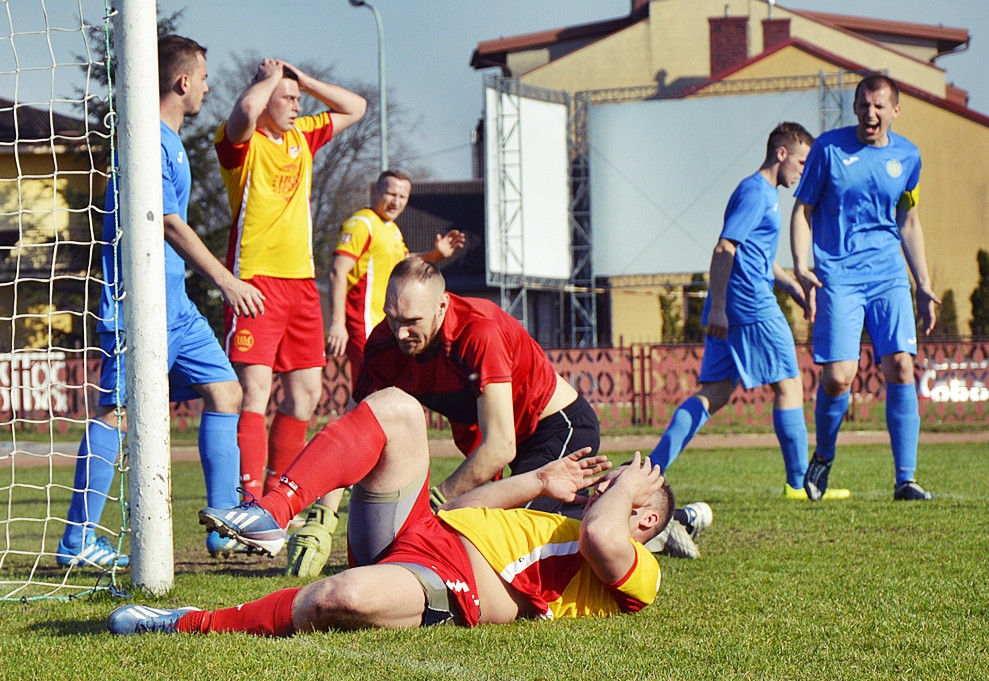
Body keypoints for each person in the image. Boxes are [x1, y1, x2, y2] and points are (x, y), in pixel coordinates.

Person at [108, 386, 683, 635]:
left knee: (340, 599)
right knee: (399, 408)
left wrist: (629, 484)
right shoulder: (565, 521)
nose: (604, 491)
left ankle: (186, 622)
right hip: (424, 530)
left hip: (444, 581)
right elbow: (464, 507)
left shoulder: (636, 566)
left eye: (624, 493)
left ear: (646, 520)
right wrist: (539, 479)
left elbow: (605, 538)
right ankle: (276, 509)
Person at [57, 35, 267, 568]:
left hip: (176, 308)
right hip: (136, 306)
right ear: (182, 82)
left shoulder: (167, 140)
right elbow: (169, 223)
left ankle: (222, 526)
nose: (207, 86)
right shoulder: (146, 140)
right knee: (117, 413)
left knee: (225, 391)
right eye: (202, 77)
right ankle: (77, 541)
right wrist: (226, 280)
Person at [286, 257, 629, 577]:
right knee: (478, 535)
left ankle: (637, 520)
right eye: (392, 316)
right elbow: (353, 435)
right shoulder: (385, 343)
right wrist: (322, 517)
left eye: (412, 322)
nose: (400, 332)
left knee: (522, 537)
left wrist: (434, 503)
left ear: (442, 306)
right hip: (495, 438)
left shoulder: (481, 331)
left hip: (554, 427)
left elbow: (500, 446)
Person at [648, 122, 850, 502]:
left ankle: (648, 469)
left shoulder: (765, 195)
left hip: (736, 302)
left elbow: (757, 254)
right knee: (789, 384)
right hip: (749, 303)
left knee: (716, 393)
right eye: (803, 162)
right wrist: (721, 307)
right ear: (782, 153)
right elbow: (725, 249)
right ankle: (800, 485)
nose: (804, 171)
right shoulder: (756, 192)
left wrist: (792, 286)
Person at [215, 58, 366, 501]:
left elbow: (356, 107)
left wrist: (304, 80)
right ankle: (248, 500)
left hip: (301, 284)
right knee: (255, 392)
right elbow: (244, 113)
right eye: (289, 99)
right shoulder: (239, 143)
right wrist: (266, 80)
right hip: (254, 283)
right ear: (265, 99)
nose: (298, 106)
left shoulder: (302, 135)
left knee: (305, 394)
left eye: (300, 100)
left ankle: (277, 501)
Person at [790, 74, 939, 501]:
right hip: (838, 275)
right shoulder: (828, 150)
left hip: (889, 274)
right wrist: (802, 265)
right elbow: (803, 210)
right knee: (839, 378)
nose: (870, 113)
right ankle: (824, 456)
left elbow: (908, 220)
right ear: (854, 108)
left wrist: (924, 283)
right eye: (863, 104)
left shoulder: (908, 156)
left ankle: (905, 479)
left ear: (895, 110)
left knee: (902, 367)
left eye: (878, 106)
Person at [326, 169, 466, 382]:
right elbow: (338, 272)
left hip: (387, 325)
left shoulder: (392, 229)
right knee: (368, 393)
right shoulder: (362, 224)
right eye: (391, 194)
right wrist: (337, 323)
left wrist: (436, 255)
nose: (396, 202)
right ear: (375, 192)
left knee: (386, 392)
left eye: (402, 197)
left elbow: (404, 262)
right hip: (364, 326)